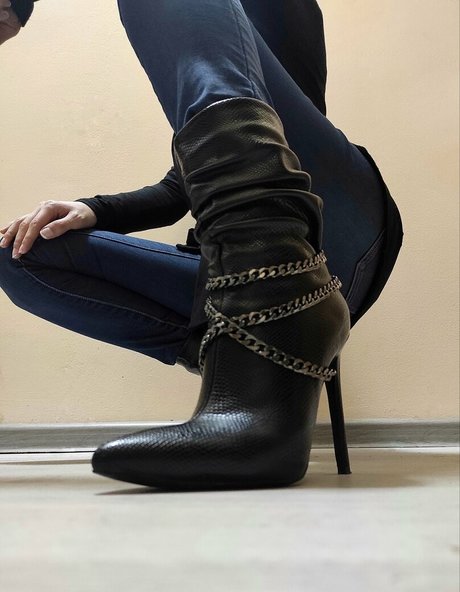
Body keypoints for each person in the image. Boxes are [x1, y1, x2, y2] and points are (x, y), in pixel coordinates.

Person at [0, 0, 403, 490]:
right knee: (18, 254)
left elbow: (279, 144)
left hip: (331, 228)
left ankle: (277, 329)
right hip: (230, 273)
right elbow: (183, 187)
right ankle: (240, 355)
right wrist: (94, 210)